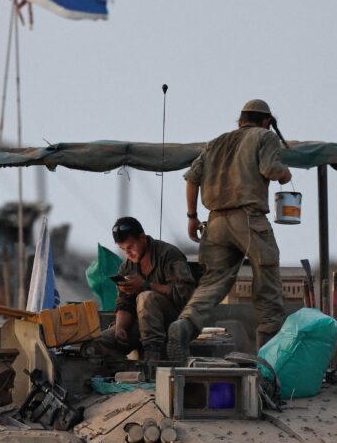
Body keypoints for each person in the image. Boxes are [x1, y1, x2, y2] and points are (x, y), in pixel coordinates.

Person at [168, 98, 291, 358]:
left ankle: (185, 324)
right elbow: (270, 169)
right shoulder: (264, 137)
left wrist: (192, 216)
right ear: (267, 122)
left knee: (212, 283)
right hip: (248, 219)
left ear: (241, 120)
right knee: (267, 283)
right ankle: (269, 357)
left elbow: (191, 179)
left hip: (215, 222)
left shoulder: (216, 142)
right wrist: (285, 175)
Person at [93, 217, 195, 360]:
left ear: (142, 238)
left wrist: (145, 285)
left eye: (130, 247)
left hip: (175, 323)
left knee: (146, 297)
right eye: (123, 249)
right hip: (142, 325)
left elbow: (186, 294)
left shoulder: (168, 254)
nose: (128, 253)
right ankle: (125, 373)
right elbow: (124, 303)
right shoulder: (127, 267)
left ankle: (152, 360)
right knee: (98, 343)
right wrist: (120, 327)